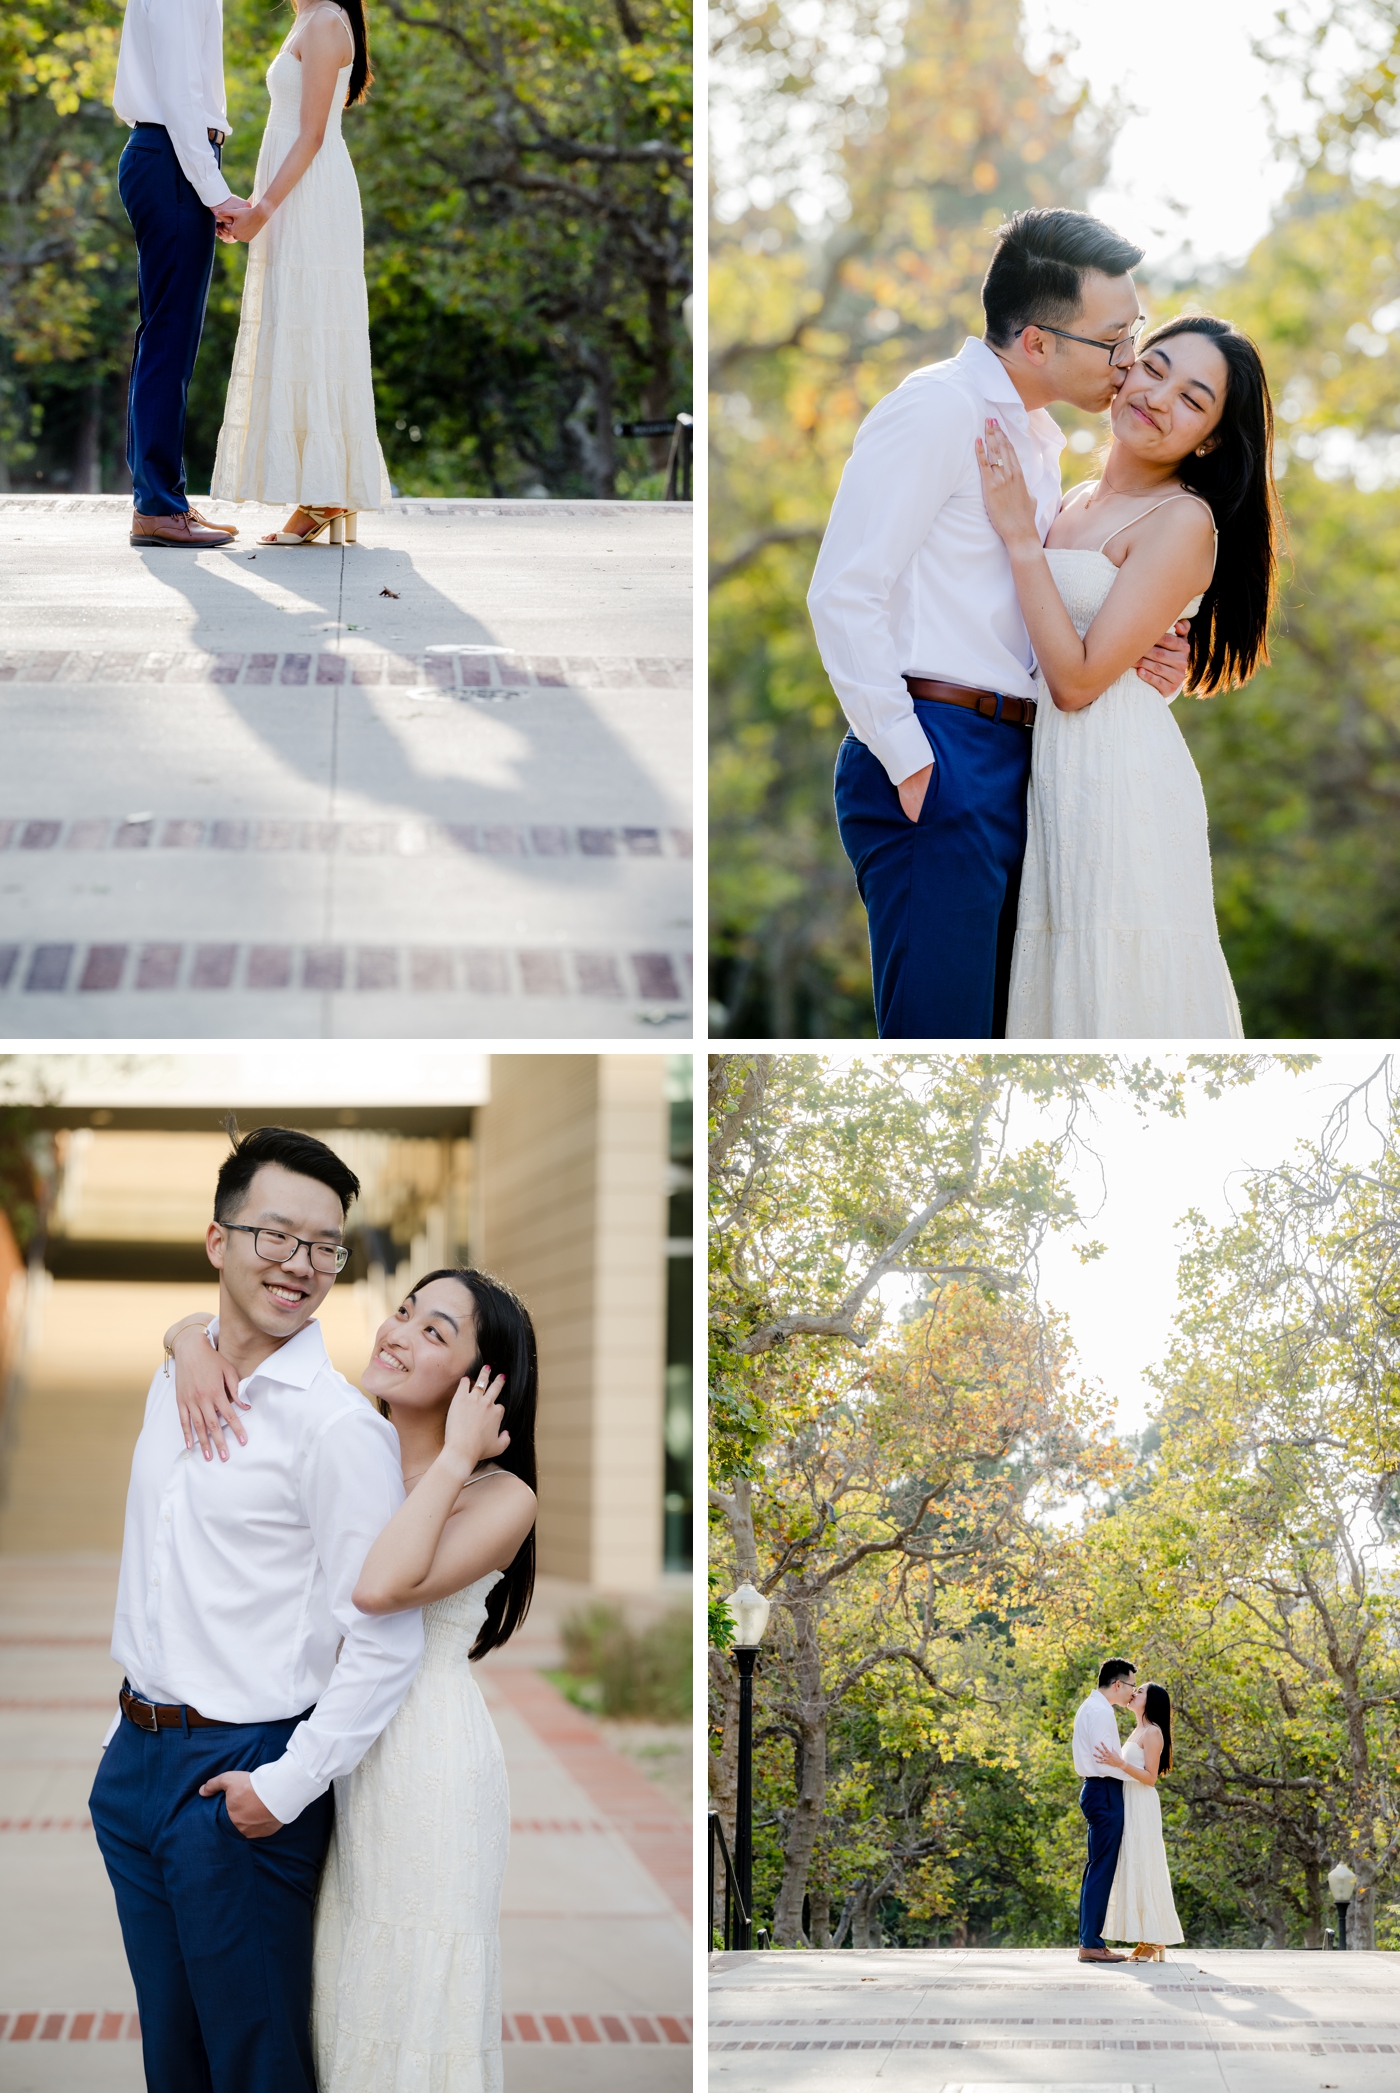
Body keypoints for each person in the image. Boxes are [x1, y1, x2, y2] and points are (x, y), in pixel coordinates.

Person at [88, 1124, 423, 2093]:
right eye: (276, 1235)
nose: (302, 1264)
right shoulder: (176, 1372)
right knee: (174, 2060)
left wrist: (285, 1784)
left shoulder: (335, 1427)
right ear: (217, 1241)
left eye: (326, 1245)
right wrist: (186, 1336)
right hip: (135, 1763)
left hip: (240, 1775)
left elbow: (384, 1631)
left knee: (257, 2061)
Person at [807, 207, 1192, 1039]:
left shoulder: (1043, 443)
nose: (1129, 364)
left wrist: (1150, 649)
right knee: (938, 1045)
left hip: (1028, 762)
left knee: (1003, 1040)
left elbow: (1044, 606)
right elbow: (843, 591)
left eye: (1137, 335)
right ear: (1039, 343)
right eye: (1115, 340)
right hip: (942, 752)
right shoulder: (938, 410)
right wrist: (912, 763)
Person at [165, 1264, 539, 2092]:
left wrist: (456, 1454)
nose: (397, 1332)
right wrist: (189, 1340)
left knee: (410, 1995)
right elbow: (237, 1338)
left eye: (434, 1331)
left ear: (485, 1383)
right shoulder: (348, 1445)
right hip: (340, 1757)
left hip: (427, 1771)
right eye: (404, 1311)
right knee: (340, 1988)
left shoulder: (500, 1493)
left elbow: (382, 1588)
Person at [977, 313, 1278, 1037]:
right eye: (1156, 367)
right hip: (1050, 772)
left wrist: (1020, 536)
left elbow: (1078, 683)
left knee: (1115, 983)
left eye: (1193, 398)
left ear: (1207, 437)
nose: (1159, 395)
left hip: (1118, 781)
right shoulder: (1072, 498)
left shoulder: (1183, 520)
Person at [210, 0, 391, 544]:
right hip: (293, 195)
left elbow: (311, 134)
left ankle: (327, 497)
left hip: (312, 199)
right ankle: (326, 494)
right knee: (297, 325)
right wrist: (254, 200)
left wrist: (263, 211)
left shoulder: (327, 21)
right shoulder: (307, 17)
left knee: (313, 326)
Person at [112, 0, 243, 547]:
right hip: (172, 158)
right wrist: (213, 191)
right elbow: (182, 98)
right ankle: (159, 506)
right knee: (169, 338)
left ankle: (162, 500)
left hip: (171, 158)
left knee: (167, 337)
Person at [1095, 1681, 1185, 1962]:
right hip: (1128, 1801)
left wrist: (1119, 1763)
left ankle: (1155, 1939)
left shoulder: (1154, 1732)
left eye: (1141, 1691)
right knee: (1134, 1864)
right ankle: (1150, 1936)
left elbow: (1150, 1777)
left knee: (1146, 1864)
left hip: (1142, 1802)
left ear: (1152, 1701)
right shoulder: (1137, 1730)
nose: (1134, 1693)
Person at [1071, 1657, 1138, 1964]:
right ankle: (1091, 1943)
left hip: (1098, 1788)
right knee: (1101, 1868)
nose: (1132, 1693)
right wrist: (1139, 1775)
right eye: (1131, 1686)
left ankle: (1091, 1940)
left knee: (1096, 1866)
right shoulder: (1100, 1711)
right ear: (1117, 1684)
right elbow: (1105, 1761)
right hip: (1104, 1789)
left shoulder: (1091, 1707)